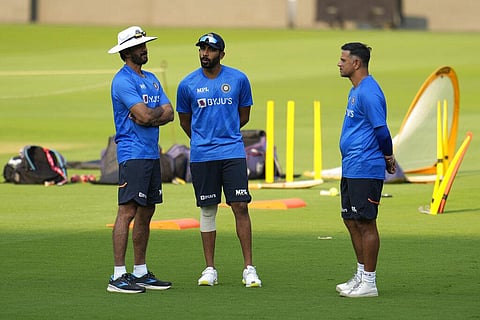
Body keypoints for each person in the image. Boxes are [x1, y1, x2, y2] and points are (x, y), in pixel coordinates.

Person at [176, 32, 262, 288]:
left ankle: (249, 268)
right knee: (207, 209)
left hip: (233, 153)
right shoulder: (187, 84)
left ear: (221, 54)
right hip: (203, 156)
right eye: (202, 49)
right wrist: (203, 138)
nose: (205, 54)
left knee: (240, 206)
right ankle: (210, 269)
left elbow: (243, 116)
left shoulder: (238, 79)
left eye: (211, 50)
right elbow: (184, 120)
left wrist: (225, 134)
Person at [106, 26, 174, 293]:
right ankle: (118, 275)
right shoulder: (122, 81)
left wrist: (151, 115)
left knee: (147, 211)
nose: (144, 48)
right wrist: (151, 116)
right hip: (132, 154)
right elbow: (145, 117)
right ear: (125, 52)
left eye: (144, 44)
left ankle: (140, 272)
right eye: (138, 46)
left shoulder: (153, 79)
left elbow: (167, 114)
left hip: (150, 153)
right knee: (127, 211)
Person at [335, 42, 396, 298]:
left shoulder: (369, 92)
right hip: (352, 166)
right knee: (350, 220)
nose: (339, 63)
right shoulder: (356, 90)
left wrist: (389, 156)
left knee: (365, 222)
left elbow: (381, 130)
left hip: (365, 166)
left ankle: (369, 282)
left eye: (343, 59)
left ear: (356, 63)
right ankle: (361, 274)